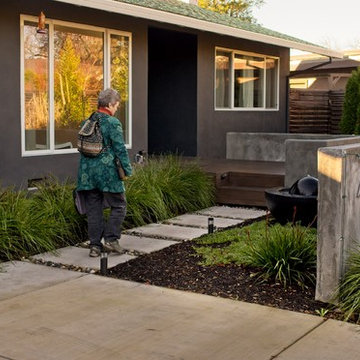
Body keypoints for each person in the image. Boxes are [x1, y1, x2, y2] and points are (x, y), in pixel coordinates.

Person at [77, 88, 132, 257]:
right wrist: (127, 169)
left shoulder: (88, 121)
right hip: (107, 173)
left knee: (94, 209)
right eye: (116, 106)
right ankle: (111, 239)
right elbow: (119, 149)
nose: (116, 109)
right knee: (119, 205)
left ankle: (95, 247)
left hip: (87, 174)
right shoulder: (112, 122)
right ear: (109, 104)